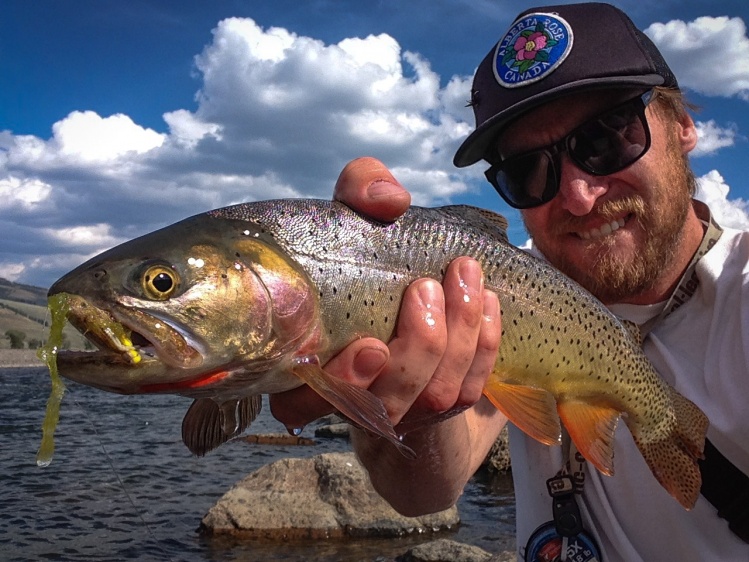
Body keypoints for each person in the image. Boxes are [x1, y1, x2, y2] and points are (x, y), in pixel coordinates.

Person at [270, 3, 749, 560]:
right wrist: (412, 408)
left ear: (684, 126)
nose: (577, 195)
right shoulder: (503, 287)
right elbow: (421, 495)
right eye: (528, 172)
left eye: (606, 139)